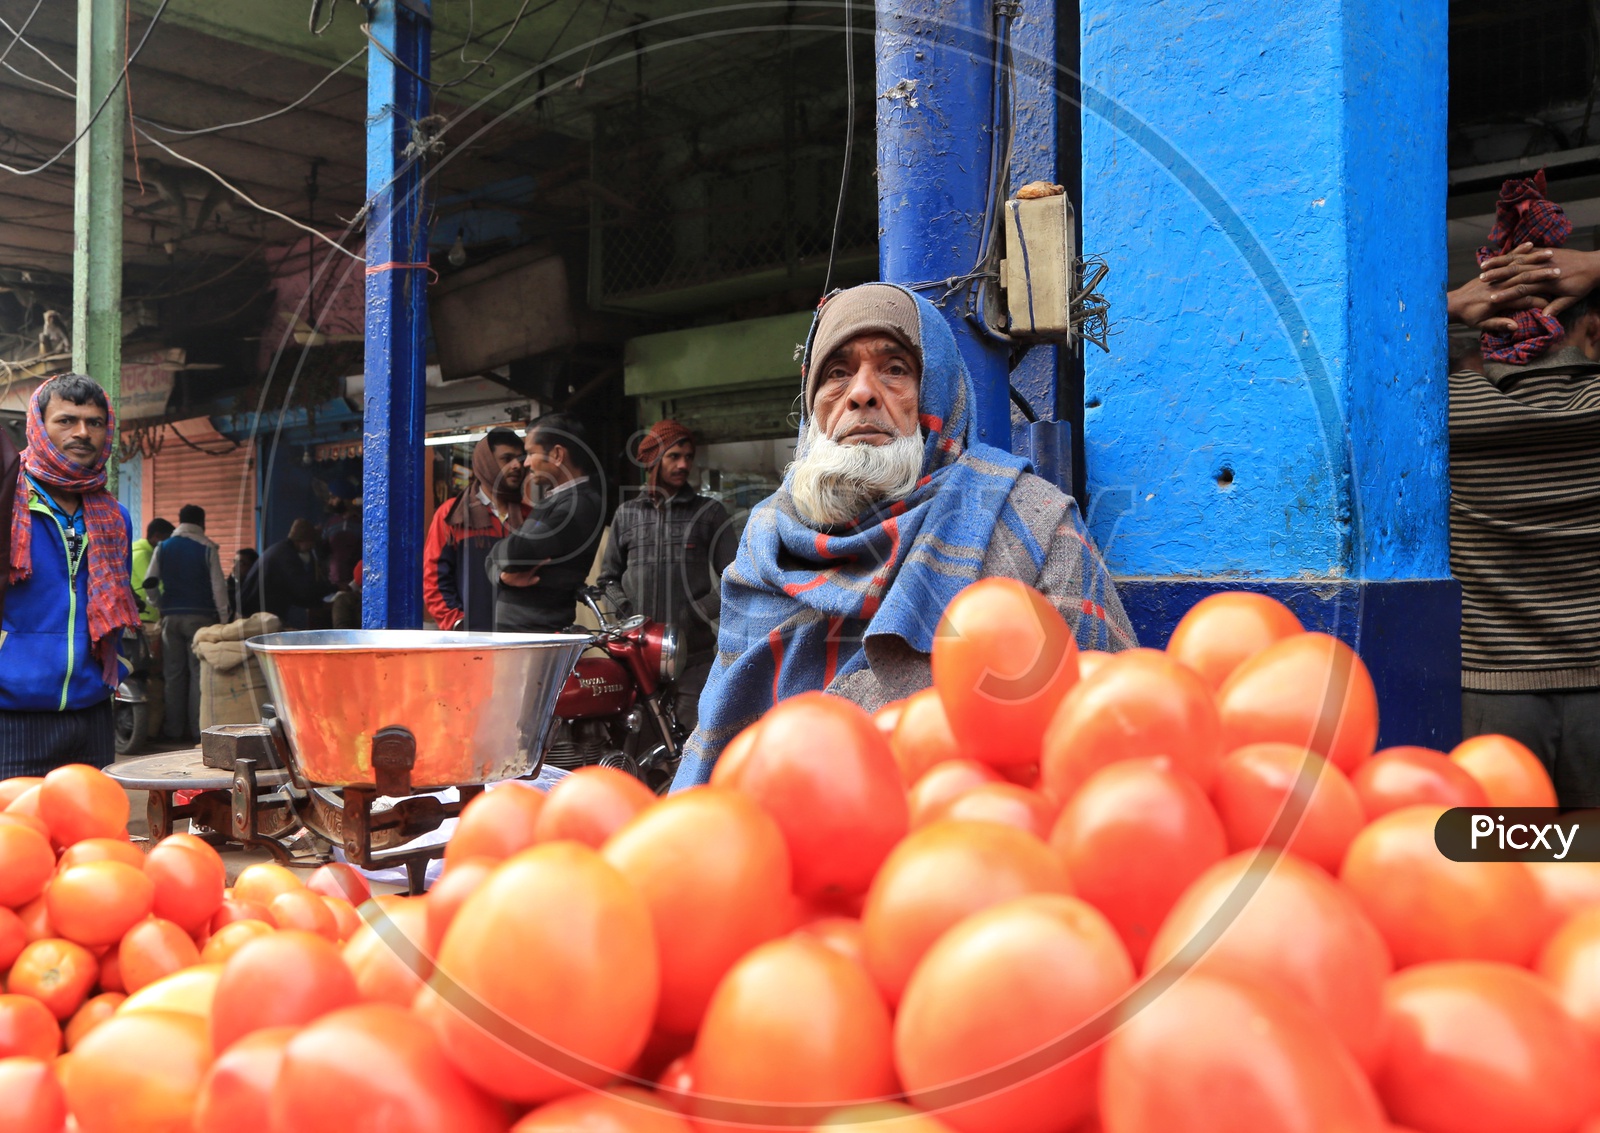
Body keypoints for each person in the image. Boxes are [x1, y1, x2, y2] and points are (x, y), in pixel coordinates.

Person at [672, 283, 1135, 789]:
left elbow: (1108, 742)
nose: (862, 392)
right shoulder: (766, 544)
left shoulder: (1034, 521)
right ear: (812, 410)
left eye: (895, 368)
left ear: (938, 395)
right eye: (837, 372)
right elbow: (721, 757)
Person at [1444, 172, 1600, 808]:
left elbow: (1337, 346)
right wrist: (1594, 263)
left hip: (1489, 705)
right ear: (1591, 333)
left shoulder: (1442, 417)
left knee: (1509, 881)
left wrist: (1451, 302)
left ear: (1491, 334)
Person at [0, 374, 139, 776]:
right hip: (11, 712)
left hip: (90, 711)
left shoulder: (114, 517)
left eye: (94, 422)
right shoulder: (6, 502)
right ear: (38, 427)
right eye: (66, 420)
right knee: (16, 837)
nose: (82, 432)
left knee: (90, 835)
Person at [597, 419, 736, 731]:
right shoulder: (627, 515)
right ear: (654, 460)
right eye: (674, 456)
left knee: (695, 744)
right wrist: (627, 614)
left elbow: (735, 578)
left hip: (693, 656)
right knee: (638, 742)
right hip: (636, 657)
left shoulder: (709, 513)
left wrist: (696, 613)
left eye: (688, 457)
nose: (683, 464)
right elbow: (607, 580)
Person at [485, 413, 605, 632]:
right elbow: (494, 560)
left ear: (557, 454)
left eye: (531, 453)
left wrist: (500, 556)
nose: (527, 463)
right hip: (523, 637)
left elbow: (515, 554)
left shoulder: (579, 505)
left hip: (537, 637)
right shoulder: (554, 501)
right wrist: (502, 577)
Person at [424, 429, 526, 630]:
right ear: (486, 462)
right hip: (470, 639)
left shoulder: (529, 516)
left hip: (522, 635)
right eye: (507, 459)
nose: (517, 466)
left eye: (520, 459)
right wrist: (457, 623)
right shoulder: (452, 515)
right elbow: (434, 579)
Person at [142, 504, 228, 743]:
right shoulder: (207, 548)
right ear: (202, 523)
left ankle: (173, 730)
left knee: (173, 675)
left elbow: (149, 582)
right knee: (198, 674)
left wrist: (159, 605)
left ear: (180, 521)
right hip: (201, 619)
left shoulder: (162, 547)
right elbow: (218, 587)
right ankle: (197, 730)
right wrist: (223, 618)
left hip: (171, 618)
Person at [242, 518, 332, 628]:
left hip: (253, 610)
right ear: (303, 540)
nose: (312, 547)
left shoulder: (280, 550)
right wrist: (331, 590)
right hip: (258, 614)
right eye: (311, 542)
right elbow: (302, 590)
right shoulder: (288, 556)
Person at [130, 516, 173, 626]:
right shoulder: (143, 555)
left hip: (145, 614)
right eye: (167, 538)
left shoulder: (142, 552)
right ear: (156, 536)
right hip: (145, 616)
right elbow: (153, 583)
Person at [322, 497, 362, 589]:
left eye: (334, 497)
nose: (330, 501)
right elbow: (323, 551)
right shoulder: (330, 523)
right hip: (333, 581)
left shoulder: (361, 523)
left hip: (355, 581)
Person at [228, 547, 258, 622]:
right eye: (235, 562)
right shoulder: (229, 586)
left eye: (241, 563)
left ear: (253, 567)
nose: (235, 567)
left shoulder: (256, 591)